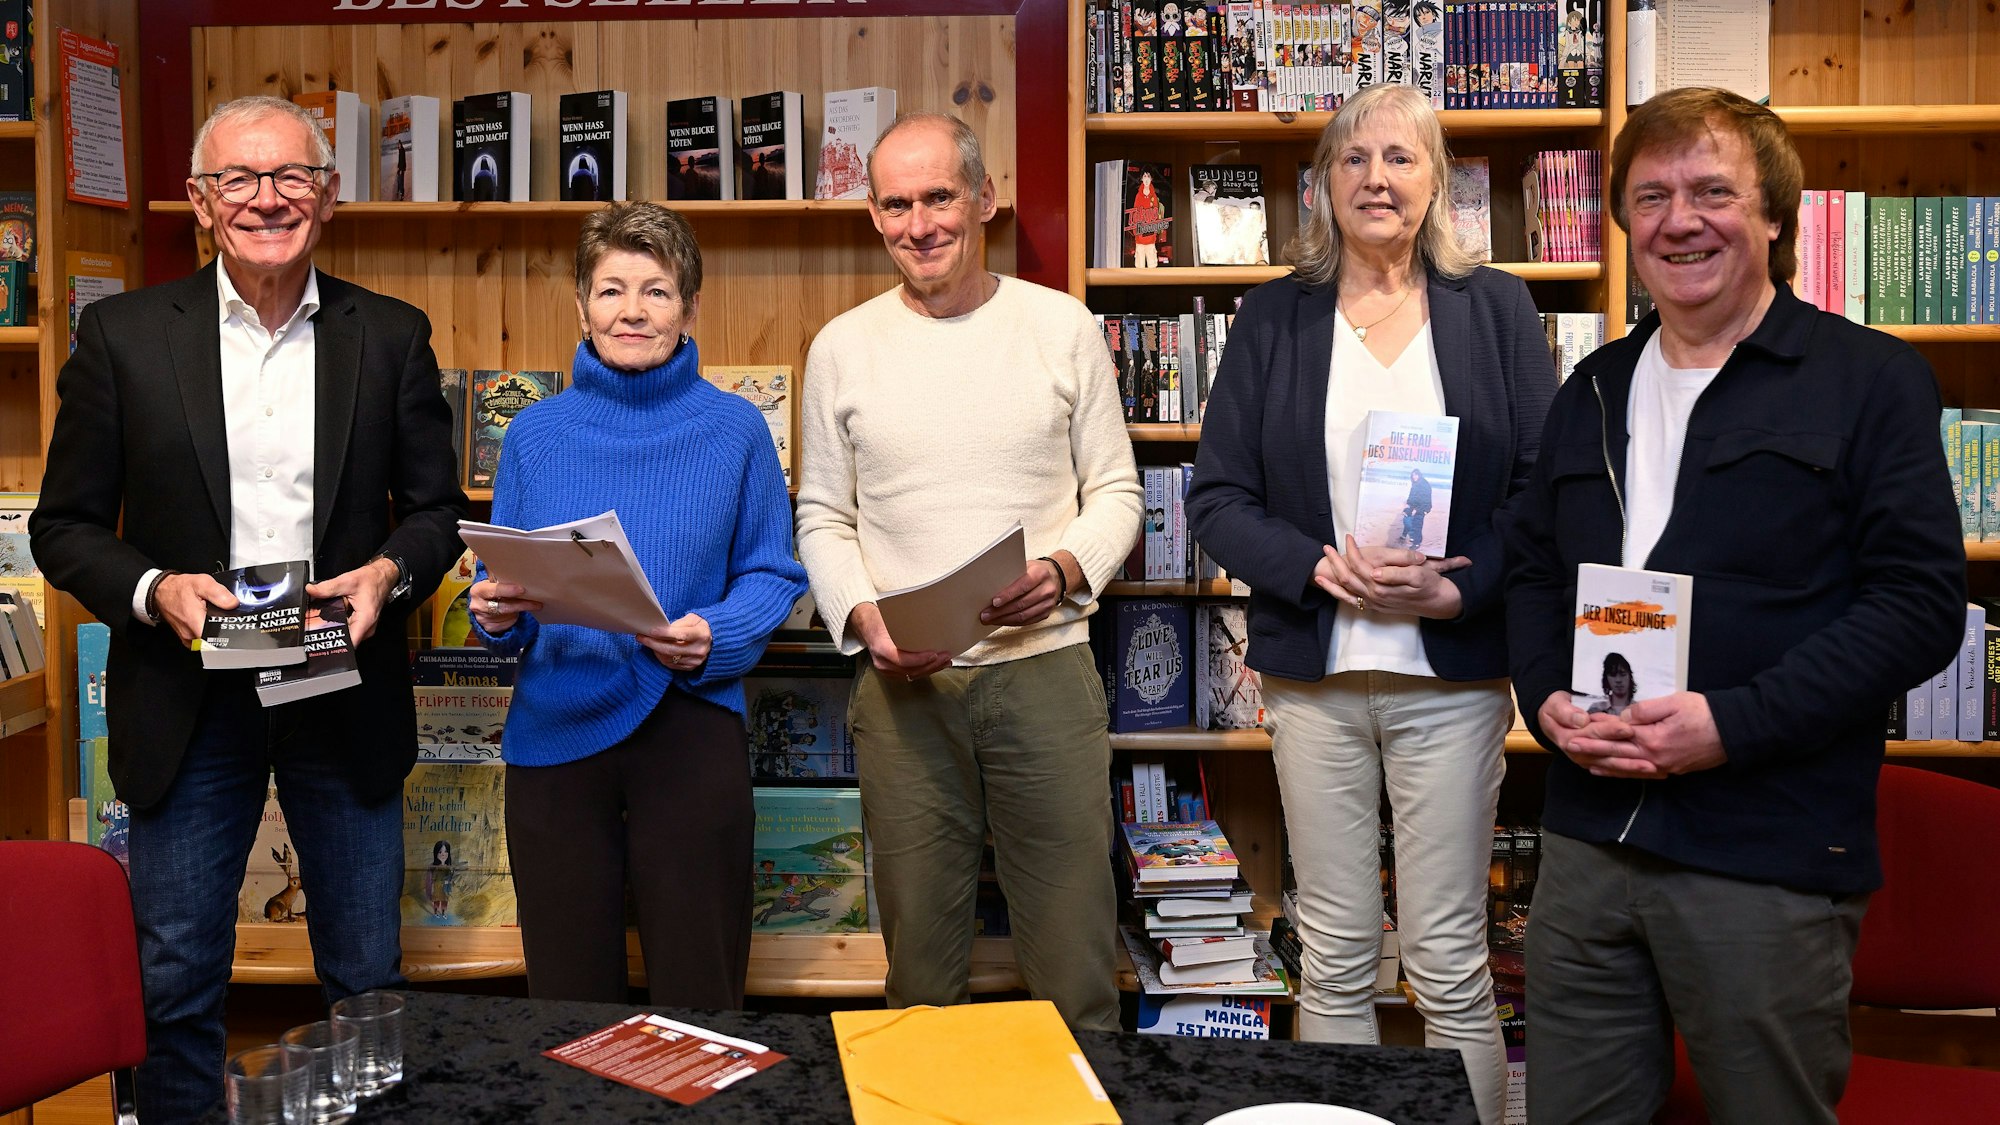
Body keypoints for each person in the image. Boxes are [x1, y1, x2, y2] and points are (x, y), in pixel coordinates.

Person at [1497, 87, 1965, 1122]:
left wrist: (1729, 724)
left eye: (1712, 191)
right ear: (1623, 222)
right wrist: (1544, 699)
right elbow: (1532, 572)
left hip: (1763, 854)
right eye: (1651, 195)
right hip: (1585, 839)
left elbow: (1919, 604)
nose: (1679, 219)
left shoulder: (1866, 380)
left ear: (1770, 217)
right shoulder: (1591, 390)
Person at [29, 94, 468, 1124]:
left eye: (291, 179)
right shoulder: (122, 338)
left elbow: (439, 514)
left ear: (327, 195)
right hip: (187, 698)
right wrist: (154, 590)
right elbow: (66, 526)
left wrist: (387, 578)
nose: (267, 200)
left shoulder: (393, 337)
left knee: (365, 976)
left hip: (340, 682)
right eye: (240, 179)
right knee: (176, 978)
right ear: (198, 200)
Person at [1185, 82, 1557, 1125]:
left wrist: (1461, 581)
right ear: (1320, 187)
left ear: (1435, 180)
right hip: (1315, 672)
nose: (1375, 179)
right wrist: (1310, 564)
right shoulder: (1272, 317)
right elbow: (1215, 496)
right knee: (1336, 952)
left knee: (1444, 958)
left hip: (1450, 674)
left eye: (1398, 158)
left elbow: (1540, 489)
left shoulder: (1494, 309)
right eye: (1351, 160)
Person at [795, 112, 1141, 1031]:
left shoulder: (1060, 328)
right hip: (905, 694)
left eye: (940, 196)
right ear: (873, 215)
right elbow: (823, 516)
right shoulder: (841, 348)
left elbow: (1117, 492)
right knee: (918, 980)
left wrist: (1067, 567)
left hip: (1045, 674)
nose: (921, 225)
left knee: (1076, 971)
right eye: (897, 204)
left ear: (985, 199)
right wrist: (860, 616)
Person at [468, 202, 806, 1008]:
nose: (632, 311)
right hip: (555, 735)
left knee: (701, 992)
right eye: (611, 289)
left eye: (656, 291)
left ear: (690, 307)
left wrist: (715, 633)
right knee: (566, 996)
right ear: (581, 305)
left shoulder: (738, 430)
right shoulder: (534, 434)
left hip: (689, 726)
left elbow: (772, 575)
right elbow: (497, 584)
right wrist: (495, 613)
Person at [1400, 468, 1434, 549]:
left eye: (1416, 475)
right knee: (1406, 518)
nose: (1414, 477)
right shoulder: (1416, 483)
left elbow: (1425, 499)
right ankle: (1406, 534)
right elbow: (1412, 495)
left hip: (1422, 507)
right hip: (1414, 505)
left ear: (1419, 475)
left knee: (1417, 525)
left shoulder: (1423, 484)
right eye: (1413, 475)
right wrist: (1408, 504)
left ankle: (1417, 543)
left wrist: (1419, 510)